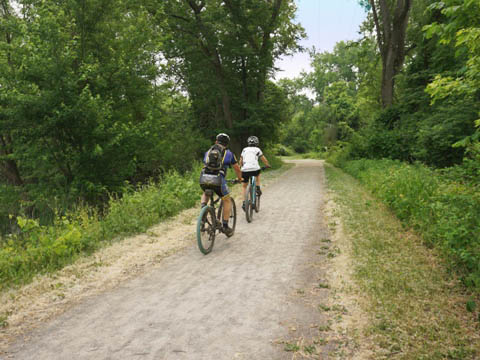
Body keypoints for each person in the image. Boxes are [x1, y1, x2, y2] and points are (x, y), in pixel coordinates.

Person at [199, 133, 243, 237]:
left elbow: (205, 163)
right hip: (218, 179)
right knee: (227, 199)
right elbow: (237, 168)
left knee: (206, 192)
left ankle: (203, 213)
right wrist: (240, 179)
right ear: (227, 144)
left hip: (203, 178)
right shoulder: (229, 153)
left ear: (216, 141)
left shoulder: (208, 152)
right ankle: (225, 226)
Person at [239, 136, 270, 211]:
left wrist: (241, 167)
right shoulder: (257, 149)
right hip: (255, 169)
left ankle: (244, 203)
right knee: (258, 173)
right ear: (257, 143)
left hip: (245, 169)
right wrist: (267, 165)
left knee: (244, 186)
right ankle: (257, 187)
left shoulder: (244, 149)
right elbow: (263, 159)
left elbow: (241, 161)